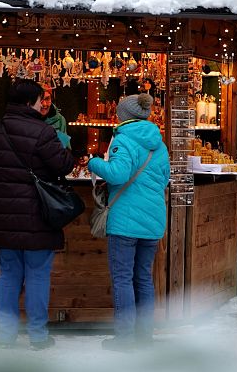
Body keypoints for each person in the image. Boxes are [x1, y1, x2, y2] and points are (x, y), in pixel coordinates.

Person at [0, 80, 74, 350]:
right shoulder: (43, 131)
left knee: (8, 275)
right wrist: (67, 148)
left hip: (4, 212)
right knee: (37, 275)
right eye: (39, 100)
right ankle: (37, 336)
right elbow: (63, 165)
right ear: (29, 102)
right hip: (38, 213)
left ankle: (5, 335)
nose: (42, 104)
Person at [87, 93, 170, 351]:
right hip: (153, 219)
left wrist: (94, 163)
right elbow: (165, 178)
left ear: (123, 115)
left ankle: (124, 339)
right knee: (143, 278)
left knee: (122, 278)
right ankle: (144, 337)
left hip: (125, 220)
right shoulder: (159, 143)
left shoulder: (122, 140)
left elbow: (119, 174)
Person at [39, 83, 71, 148]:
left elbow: (65, 148)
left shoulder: (60, 120)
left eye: (47, 99)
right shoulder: (26, 119)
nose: (44, 104)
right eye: (40, 100)